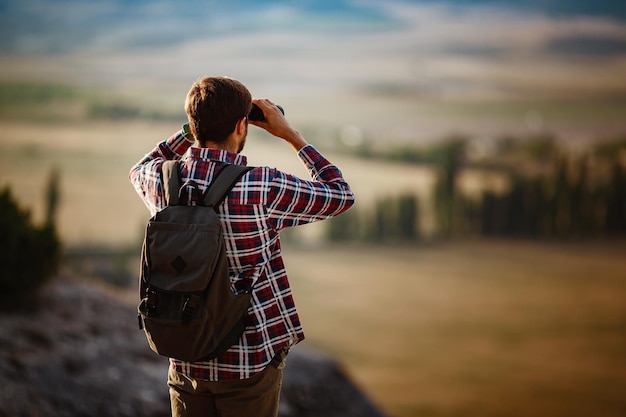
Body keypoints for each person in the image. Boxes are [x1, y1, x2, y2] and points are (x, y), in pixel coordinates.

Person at [129, 76, 355, 417]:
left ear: (193, 124)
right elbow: (340, 194)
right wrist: (291, 135)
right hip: (248, 360)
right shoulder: (261, 185)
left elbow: (138, 168)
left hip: (185, 356)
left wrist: (187, 132)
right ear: (241, 125)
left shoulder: (160, 180)